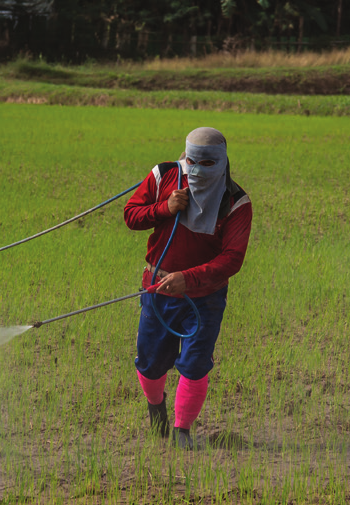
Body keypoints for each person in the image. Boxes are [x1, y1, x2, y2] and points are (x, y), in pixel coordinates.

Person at [123, 127, 252, 449]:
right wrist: (164, 209)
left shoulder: (236, 202)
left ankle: (182, 432)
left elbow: (232, 259)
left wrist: (189, 278)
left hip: (204, 297)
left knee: (195, 364)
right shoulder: (163, 175)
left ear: (222, 162)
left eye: (207, 163)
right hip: (157, 287)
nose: (196, 169)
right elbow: (131, 216)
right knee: (150, 362)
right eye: (191, 161)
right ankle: (157, 411)